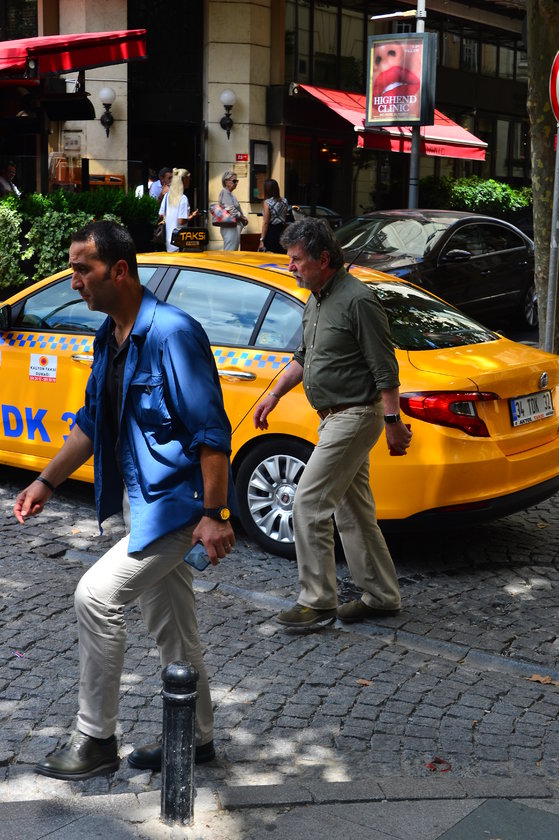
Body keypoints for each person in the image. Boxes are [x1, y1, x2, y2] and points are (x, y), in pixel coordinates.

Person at [13, 220, 236, 780]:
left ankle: (96, 739)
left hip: (178, 508)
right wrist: (45, 482)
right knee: (173, 625)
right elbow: (93, 423)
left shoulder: (172, 334)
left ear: (119, 271)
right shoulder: (107, 337)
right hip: (145, 505)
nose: (74, 282)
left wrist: (214, 514)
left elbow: (211, 433)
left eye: (82, 270)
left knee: (95, 596)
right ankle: (196, 739)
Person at [253, 219, 412, 629]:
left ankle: (318, 601)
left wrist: (393, 421)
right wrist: (273, 395)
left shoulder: (358, 300)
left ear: (323, 259)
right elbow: (304, 357)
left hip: (355, 416)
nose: (290, 266)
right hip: (332, 418)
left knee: (308, 503)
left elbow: (385, 368)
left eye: (296, 259)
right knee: (353, 511)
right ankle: (382, 596)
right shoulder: (317, 298)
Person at [159, 167, 200, 252]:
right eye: (188, 179)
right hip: (180, 240)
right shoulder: (183, 198)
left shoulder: (167, 196)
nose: (189, 181)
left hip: (169, 240)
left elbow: (161, 214)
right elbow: (181, 221)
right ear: (183, 180)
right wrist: (192, 216)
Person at [218, 169, 248, 250]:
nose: (236, 183)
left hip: (233, 226)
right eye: (234, 181)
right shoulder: (225, 192)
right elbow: (231, 210)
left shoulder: (230, 194)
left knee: (233, 250)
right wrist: (242, 218)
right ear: (226, 182)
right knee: (230, 251)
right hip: (230, 227)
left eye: (237, 181)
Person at [257, 179, 288, 254]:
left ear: (267, 190)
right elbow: (285, 216)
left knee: (270, 255)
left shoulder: (267, 202)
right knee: (281, 254)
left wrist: (261, 240)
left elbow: (266, 222)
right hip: (282, 230)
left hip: (271, 232)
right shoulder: (284, 201)